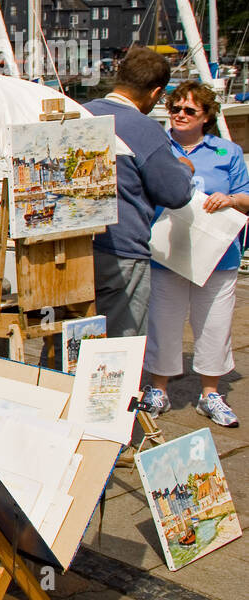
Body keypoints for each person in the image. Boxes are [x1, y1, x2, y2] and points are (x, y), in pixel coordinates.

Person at [143, 81, 247, 427]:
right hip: (167, 251)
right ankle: (158, 388)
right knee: (164, 320)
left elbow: (246, 196)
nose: (180, 115)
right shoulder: (158, 147)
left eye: (190, 110)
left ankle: (210, 393)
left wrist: (231, 200)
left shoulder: (227, 152)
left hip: (219, 254)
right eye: (175, 108)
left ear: (206, 116)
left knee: (215, 324)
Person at [83, 46, 193, 339]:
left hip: (75, 247)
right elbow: (176, 193)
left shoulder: (81, 113)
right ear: (156, 93)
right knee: (120, 345)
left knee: (71, 337)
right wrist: (185, 168)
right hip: (122, 248)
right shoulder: (144, 129)